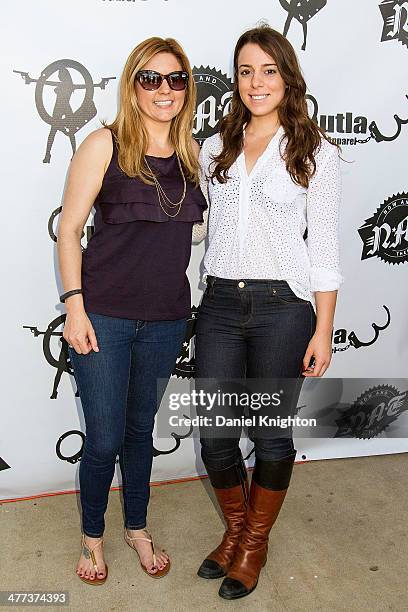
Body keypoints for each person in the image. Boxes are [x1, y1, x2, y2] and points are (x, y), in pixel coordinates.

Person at [193, 24, 343, 600]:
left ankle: (253, 545)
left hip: (285, 307)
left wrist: (324, 328)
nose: (256, 82)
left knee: (270, 432)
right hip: (221, 304)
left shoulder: (315, 152)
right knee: (215, 433)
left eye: (268, 70)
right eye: (246, 71)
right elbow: (201, 222)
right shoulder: (215, 147)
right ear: (236, 80)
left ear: (287, 76)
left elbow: (325, 248)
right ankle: (235, 532)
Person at [57, 37, 206, 585]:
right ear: (132, 84)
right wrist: (75, 308)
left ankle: (136, 528)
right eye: (150, 78)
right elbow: (69, 231)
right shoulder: (105, 143)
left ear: (187, 87)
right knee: (102, 438)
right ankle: (92, 536)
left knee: (139, 430)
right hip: (105, 317)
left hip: (166, 320)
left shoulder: (194, 156)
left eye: (175, 79)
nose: (163, 89)